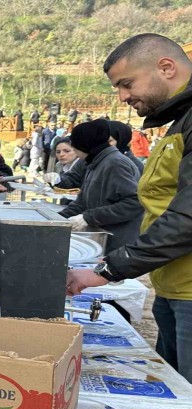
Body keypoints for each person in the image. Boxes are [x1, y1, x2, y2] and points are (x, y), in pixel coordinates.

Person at [66, 34, 192, 386]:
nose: (122, 97)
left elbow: (186, 219)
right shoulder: (180, 121)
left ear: (166, 67)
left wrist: (108, 270)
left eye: (126, 84)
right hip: (172, 283)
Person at [58, 120, 142, 252]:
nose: (77, 155)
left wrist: (89, 217)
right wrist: (57, 219)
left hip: (117, 244)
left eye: (75, 149)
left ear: (84, 146)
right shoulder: (93, 163)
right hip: (99, 241)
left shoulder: (115, 164)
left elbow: (135, 202)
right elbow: (82, 202)